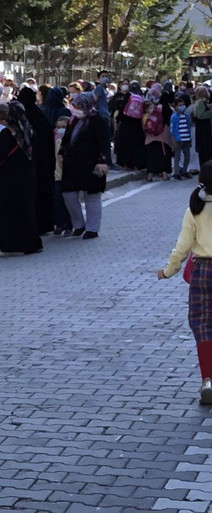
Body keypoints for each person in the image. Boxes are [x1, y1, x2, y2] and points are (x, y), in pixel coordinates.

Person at [157, 163, 212, 404]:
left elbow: (182, 246)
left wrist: (168, 271)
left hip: (202, 272)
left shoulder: (194, 210)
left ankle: (207, 380)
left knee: (203, 326)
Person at [0, 101, 42, 255]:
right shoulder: (30, 131)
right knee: (26, 209)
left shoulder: (8, 133)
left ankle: (10, 244)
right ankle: (30, 243)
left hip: (9, 178)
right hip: (28, 176)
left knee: (8, 210)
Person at [59, 92, 110, 240]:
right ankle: (78, 224)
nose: (77, 109)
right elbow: (67, 138)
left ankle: (92, 228)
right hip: (72, 164)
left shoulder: (98, 120)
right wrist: (61, 153)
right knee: (68, 193)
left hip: (92, 163)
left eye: (80, 106)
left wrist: (102, 160)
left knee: (92, 196)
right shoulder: (74, 120)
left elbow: (104, 142)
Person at [18, 86, 55, 236]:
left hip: (29, 164)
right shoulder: (41, 116)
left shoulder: (22, 118)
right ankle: (45, 224)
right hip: (44, 163)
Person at [112, 80, 146, 170]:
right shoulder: (141, 96)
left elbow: (123, 108)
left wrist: (118, 120)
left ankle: (125, 165)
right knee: (136, 145)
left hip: (126, 124)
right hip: (137, 125)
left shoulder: (128, 95)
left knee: (125, 145)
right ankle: (136, 165)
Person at [144, 96, 174, 182]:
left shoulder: (154, 108)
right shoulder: (169, 109)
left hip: (151, 137)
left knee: (151, 156)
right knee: (163, 156)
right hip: (163, 136)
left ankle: (149, 175)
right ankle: (164, 175)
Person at [53, 116, 73, 235]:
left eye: (63, 127)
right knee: (57, 200)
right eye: (58, 127)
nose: (60, 130)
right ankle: (59, 224)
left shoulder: (71, 141)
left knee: (68, 201)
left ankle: (69, 225)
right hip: (56, 176)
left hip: (68, 175)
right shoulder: (53, 141)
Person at [171, 95, 193, 180]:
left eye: (183, 105)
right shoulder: (174, 117)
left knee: (187, 156)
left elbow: (188, 127)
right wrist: (173, 139)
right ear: (175, 107)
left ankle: (184, 170)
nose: (182, 107)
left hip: (186, 138)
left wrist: (189, 138)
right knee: (178, 156)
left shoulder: (187, 116)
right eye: (179, 105)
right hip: (178, 139)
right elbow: (172, 129)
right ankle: (176, 172)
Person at [194, 86, 212, 167]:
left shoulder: (200, 102)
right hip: (204, 132)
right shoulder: (201, 103)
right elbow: (200, 115)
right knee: (205, 154)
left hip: (203, 132)